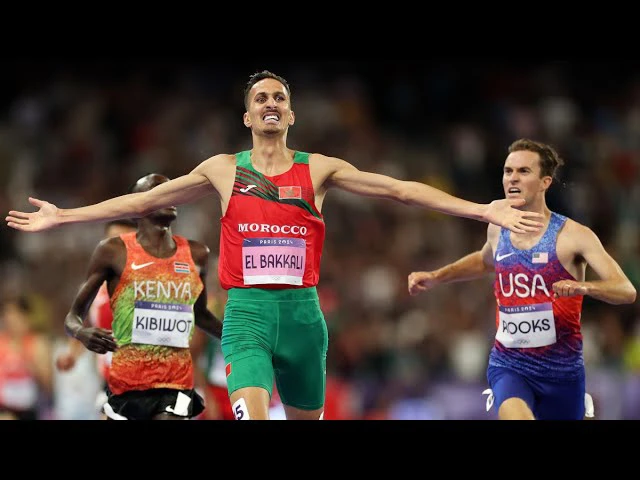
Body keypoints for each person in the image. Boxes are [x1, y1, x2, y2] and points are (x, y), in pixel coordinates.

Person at [6, 70, 545, 420]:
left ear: (289, 115)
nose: (270, 103)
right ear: (248, 117)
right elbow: (137, 202)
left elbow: (399, 190)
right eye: (260, 98)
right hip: (246, 314)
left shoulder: (320, 169)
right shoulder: (222, 170)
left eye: (279, 98)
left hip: (304, 315)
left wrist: (480, 208)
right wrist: (64, 217)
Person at [408, 138, 637, 420]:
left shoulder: (574, 235)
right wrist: (436, 276)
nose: (512, 178)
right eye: (508, 171)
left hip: (563, 373)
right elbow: (484, 260)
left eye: (523, 171)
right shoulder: (497, 226)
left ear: (545, 182)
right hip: (510, 365)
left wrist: (583, 286)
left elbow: (625, 290)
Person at [59, 173, 223, 420]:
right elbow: (73, 317)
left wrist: (244, 339)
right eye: (159, 191)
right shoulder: (113, 252)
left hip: (176, 383)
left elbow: (200, 316)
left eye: (172, 191)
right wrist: (81, 333)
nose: (170, 196)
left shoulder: (196, 254)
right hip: (127, 385)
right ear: (137, 203)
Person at [55, 218, 137, 418]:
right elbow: (84, 324)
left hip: (146, 381)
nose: (118, 247)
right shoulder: (94, 287)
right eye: (112, 240)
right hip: (110, 380)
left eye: (125, 241)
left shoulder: (151, 284)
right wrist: (72, 355)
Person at [0, 295, 53, 420]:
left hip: (29, 409)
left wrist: (28, 362)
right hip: (4, 409)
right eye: (7, 315)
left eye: (15, 315)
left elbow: (48, 386)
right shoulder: (1, 342)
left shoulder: (38, 343)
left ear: (26, 317)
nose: (11, 320)